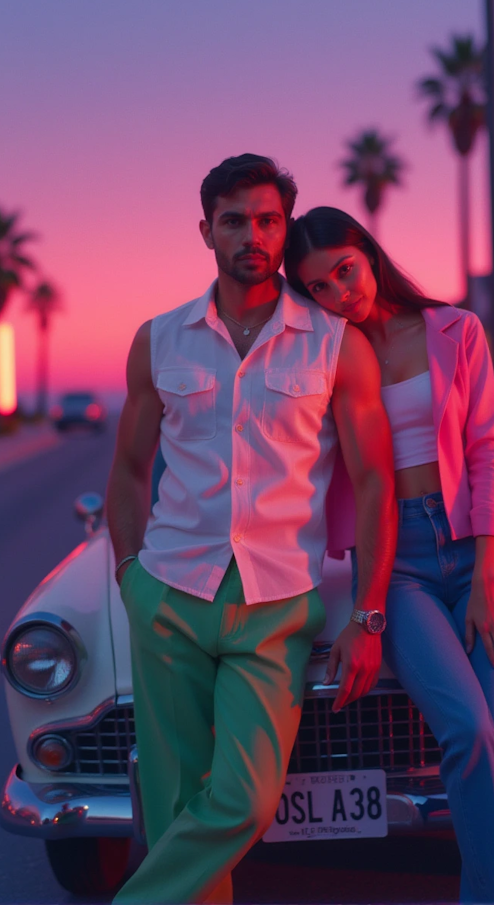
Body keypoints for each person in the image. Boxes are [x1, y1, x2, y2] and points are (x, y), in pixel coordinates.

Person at [106, 159, 397, 904]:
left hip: (276, 604)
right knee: (174, 808)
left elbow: (372, 481)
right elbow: (131, 467)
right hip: (169, 593)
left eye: (268, 220)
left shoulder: (335, 345)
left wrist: (368, 612)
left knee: (246, 800)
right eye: (234, 220)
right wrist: (130, 574)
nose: (252, 235)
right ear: (206, 230)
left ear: (284, 228)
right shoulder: (159, 339)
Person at [284, 206, 494, 904]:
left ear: (368, 252)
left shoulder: (457, 331)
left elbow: (488, 450)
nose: (340, 293)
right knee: (469, 731)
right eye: (319, 288)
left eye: (345, 270)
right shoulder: (325, 360)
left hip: (475, 552)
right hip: (399, 566)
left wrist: (487, 573)